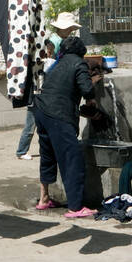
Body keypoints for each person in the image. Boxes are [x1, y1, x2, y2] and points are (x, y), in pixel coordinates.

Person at [33, 35, 99, 219]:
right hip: (58, 115)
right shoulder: (79, 64)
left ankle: (44, 199)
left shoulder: (58, 64)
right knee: (72, 158)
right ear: (80, 52)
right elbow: (86, 89)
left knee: (47, 156)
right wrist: (92, 99)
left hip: (41, 111)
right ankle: (76, 208)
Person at [16, 11, 81, 161]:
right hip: (41, 86)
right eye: (70, 28)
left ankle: (30, 149)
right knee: (32, 119)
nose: (71, 30)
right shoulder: (54, 42)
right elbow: (49, 63)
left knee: (39, 119)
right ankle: (21, 150)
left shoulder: (59, 40)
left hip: (44, 84)